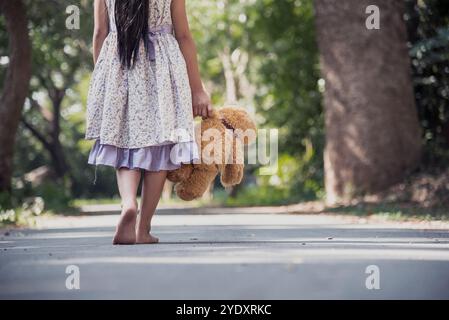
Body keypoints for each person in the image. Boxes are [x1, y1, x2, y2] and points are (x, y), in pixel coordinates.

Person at [85, 0, 211, 245]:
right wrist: (198, 89)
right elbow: (184, 36)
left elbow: (100, 33)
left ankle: (128, 203)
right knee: (161, 145)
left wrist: (103, 78)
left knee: (123, 141)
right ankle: (143, 229)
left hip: (119, 62)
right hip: (163, 67)